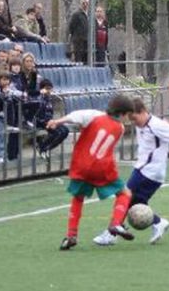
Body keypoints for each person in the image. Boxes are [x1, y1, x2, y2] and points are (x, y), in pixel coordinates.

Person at [96, 97, 169, 246]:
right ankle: (158, 222)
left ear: (143, 112)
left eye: (134, 118)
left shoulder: (157, 126)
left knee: (124, 198)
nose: (134, 122)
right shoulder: (142, 124)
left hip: (150, 172)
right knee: (135, 203)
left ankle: (111, 234)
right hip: (144, 169)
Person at [47, 94, 137, 250]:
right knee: (125, 194)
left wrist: (57, 121)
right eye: (127, 115)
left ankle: (71, 235)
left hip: (81, 165)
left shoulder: (95, 116)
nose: (127, 119)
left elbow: (76, 116)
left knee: (78, 198)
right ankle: (116, 223)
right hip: (103, 167)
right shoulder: (120, 128)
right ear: (122, 113)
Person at [29, 79, 67, 157]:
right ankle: (42, 148)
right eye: (47, 89)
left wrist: (53, 121)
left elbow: (50, 112)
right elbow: (36, 114)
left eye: (50, 89)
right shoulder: (38, 98)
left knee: (65, 130)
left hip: (49, 121)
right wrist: (47, 123)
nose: (49, 91)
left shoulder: (48, 98)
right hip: (40, 122)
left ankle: (47, 148)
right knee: (58, 132)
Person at [67, 0, 90, 64]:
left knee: (85, 59)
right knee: (78, 58)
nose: (85, 5)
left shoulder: (89, 15)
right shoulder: (76, 14)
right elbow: (71, 26)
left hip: (86, 40)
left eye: (86, 3)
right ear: (80, 4)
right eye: (83, 3)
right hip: (78, 41)